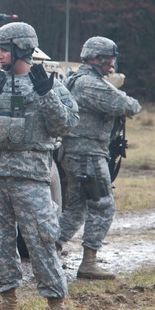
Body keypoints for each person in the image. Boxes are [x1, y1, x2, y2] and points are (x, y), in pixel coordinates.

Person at [0, 22, 80, 310]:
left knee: (42, 238)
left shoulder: (50, 87)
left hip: (32, 177)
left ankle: (56, 302)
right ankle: (8, 300)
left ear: (21, 50)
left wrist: (46, 94)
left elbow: (66, 125)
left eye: (4, 50)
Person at [56, 37, 142, 280]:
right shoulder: (90, 84)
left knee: (75, 209)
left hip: (75, 154)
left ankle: (49, 250)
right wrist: (116, 89)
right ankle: (88, 263)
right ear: (96, 58)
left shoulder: (74, 79)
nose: (112, 64)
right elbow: (129, 106)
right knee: (103, 205)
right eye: (109, 59)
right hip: (88, 156)